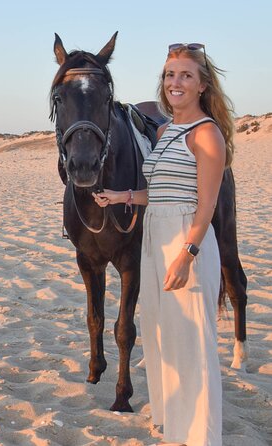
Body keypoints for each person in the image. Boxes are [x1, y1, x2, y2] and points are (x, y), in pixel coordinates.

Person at [93, 43, 234, 445]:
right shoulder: (164, 130)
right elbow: (160, 192)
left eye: (186, 75)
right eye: (171, 75)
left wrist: (188, 255)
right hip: (154, 234)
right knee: (160, 334)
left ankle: (201, 435)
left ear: (203, 85)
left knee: (192, 341)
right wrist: (122, 196)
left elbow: (205, 206)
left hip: (186, 239)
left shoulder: (207, 134)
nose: (176, 82)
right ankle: (173, 423)